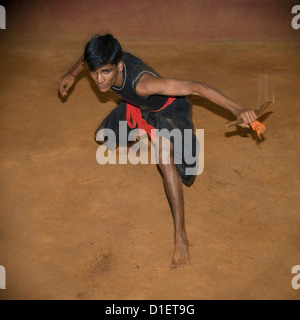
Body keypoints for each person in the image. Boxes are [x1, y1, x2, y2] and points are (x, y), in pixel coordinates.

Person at [58, 34, 257, 268]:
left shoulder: (144, 85)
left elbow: (196, 87)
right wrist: (72, 74)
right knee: (102, 136)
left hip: (170, 111)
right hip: (138, 108)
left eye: (106, 72)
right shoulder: (104, 59)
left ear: (119, 66)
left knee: (165, 156)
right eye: (94, 73)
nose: (99, 80)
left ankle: (180, 235)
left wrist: (238, 109)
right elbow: (87, 58)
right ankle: (145, 129)